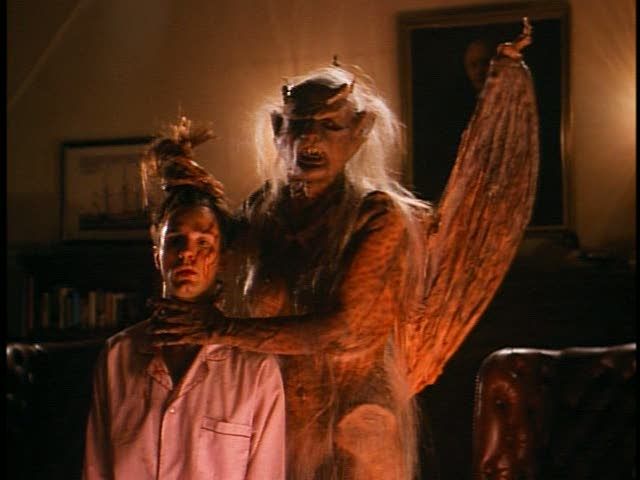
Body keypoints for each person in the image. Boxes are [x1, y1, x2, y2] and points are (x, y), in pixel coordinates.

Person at [150, 20, 538, 480]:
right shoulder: (261, 214)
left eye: (330, 125)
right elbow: (201, 256)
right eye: (298, 125)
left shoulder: (377, 216)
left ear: (359, 132)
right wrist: (186, 188)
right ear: (277, 129)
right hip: (275, 423)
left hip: (356, 429)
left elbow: (345, 330)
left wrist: (222, 329)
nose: (310, 140)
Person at [82, 123, 286, 480]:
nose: (187, 254)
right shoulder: (118, 356)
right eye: (175, 240)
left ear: (222, 259)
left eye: (203, 243)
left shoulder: (255, 370)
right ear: (157, 254)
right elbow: (96, 469)